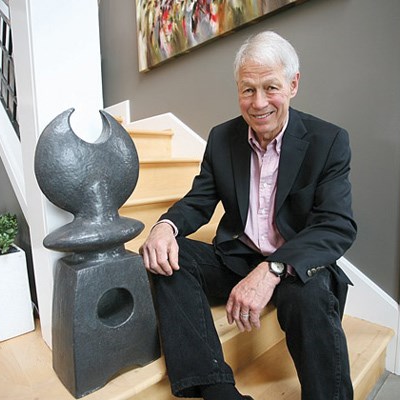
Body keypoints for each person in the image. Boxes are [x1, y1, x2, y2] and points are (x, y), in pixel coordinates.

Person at [139, 30, 357, 400]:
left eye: (270, 87)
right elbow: (198, 200)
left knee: (310, 298)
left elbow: (336, 225)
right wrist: (164, 226)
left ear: (293, 84)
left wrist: (273, 269)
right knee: (167, 259)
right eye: (247, 89)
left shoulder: (328, 140)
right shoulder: (223, 138)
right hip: (237, 258)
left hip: (296, 267)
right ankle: (215, 388)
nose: (258, 103)